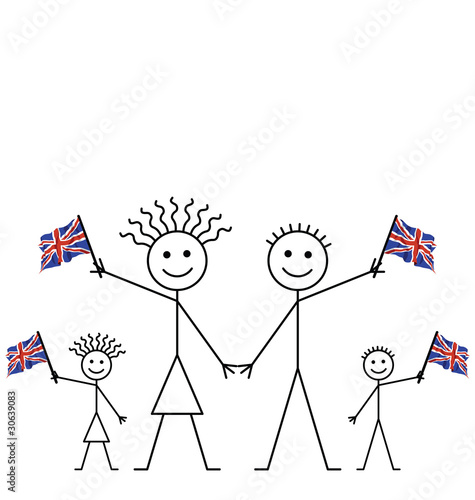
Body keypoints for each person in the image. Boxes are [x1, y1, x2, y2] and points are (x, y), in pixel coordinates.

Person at [91, 198, 235, 471]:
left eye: (187, 255)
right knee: (172, 413)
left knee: (180, 414)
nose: (177, 263)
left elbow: (196, 329)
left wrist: (221, 362)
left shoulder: (176, 300)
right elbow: (194, 327)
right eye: (166, 256)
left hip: (180, 365)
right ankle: (158, 462)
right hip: (175, 365)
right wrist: (107, 272)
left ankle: (194, 462)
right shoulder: (171, 298)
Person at [240, 223, 383, 471]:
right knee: (280, 409)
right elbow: (278, 328)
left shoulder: (305, 297)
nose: (298, 263)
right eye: (287, 254)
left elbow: (337, 285)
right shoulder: (299, 299)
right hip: (288, 363)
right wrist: (254, 360)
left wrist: (366, 273)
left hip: (310, 364)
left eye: (308, 255)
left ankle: (323, 461)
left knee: (310, 406)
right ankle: (272, 461)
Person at [51, 333, 126, 470]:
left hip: (97, 417)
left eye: (101, 362)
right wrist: (59, 377)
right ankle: (96, 465)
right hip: (95, 417)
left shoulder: (95, 384)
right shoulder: (93, 384)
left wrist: (118, 415)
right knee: (95, 442)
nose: (96, 366)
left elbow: (105, 398)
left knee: (99, 442)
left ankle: (108, 465)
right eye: (91, 362)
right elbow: (78, 382)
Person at [349, 346, 423, 470]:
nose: (378, 365)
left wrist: (416, 377)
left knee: (380, 437)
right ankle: (365, 465)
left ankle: (382, 465)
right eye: (373, 362)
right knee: (372, 438)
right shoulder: (379, 385)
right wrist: (357, 415)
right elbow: (369, 399)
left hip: (382, 417)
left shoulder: (381, 384)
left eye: (383, 361)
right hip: (375, 416)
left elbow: (398, 381)